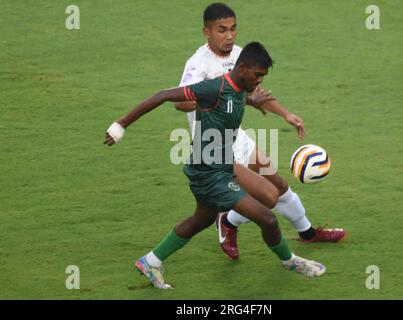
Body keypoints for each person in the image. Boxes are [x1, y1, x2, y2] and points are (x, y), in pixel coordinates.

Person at [104, 42, 325, 289]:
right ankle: (289, 260)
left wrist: (255, 103)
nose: (259, 81)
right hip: (210, 174)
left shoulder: (241, 86)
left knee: (202, 219)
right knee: (268, 219)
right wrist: (120, 125)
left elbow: (238, 99)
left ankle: (150, 261)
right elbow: (164, 95)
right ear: (242, 67)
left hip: (218, 166)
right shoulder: (214, 88)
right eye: (258, 75)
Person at [174, 3, 346, 260]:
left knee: (277, 183)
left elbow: (254, 91)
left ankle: (307, 232)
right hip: (213, 145)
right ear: (206, 32)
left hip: (237, 137)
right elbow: (180, 101)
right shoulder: (198, 64)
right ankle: (228, 223)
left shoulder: (239, 56)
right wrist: (218, 100)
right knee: (265, 196)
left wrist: (286, 114)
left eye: (233, 29)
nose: (229, 35)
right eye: (222, 30)